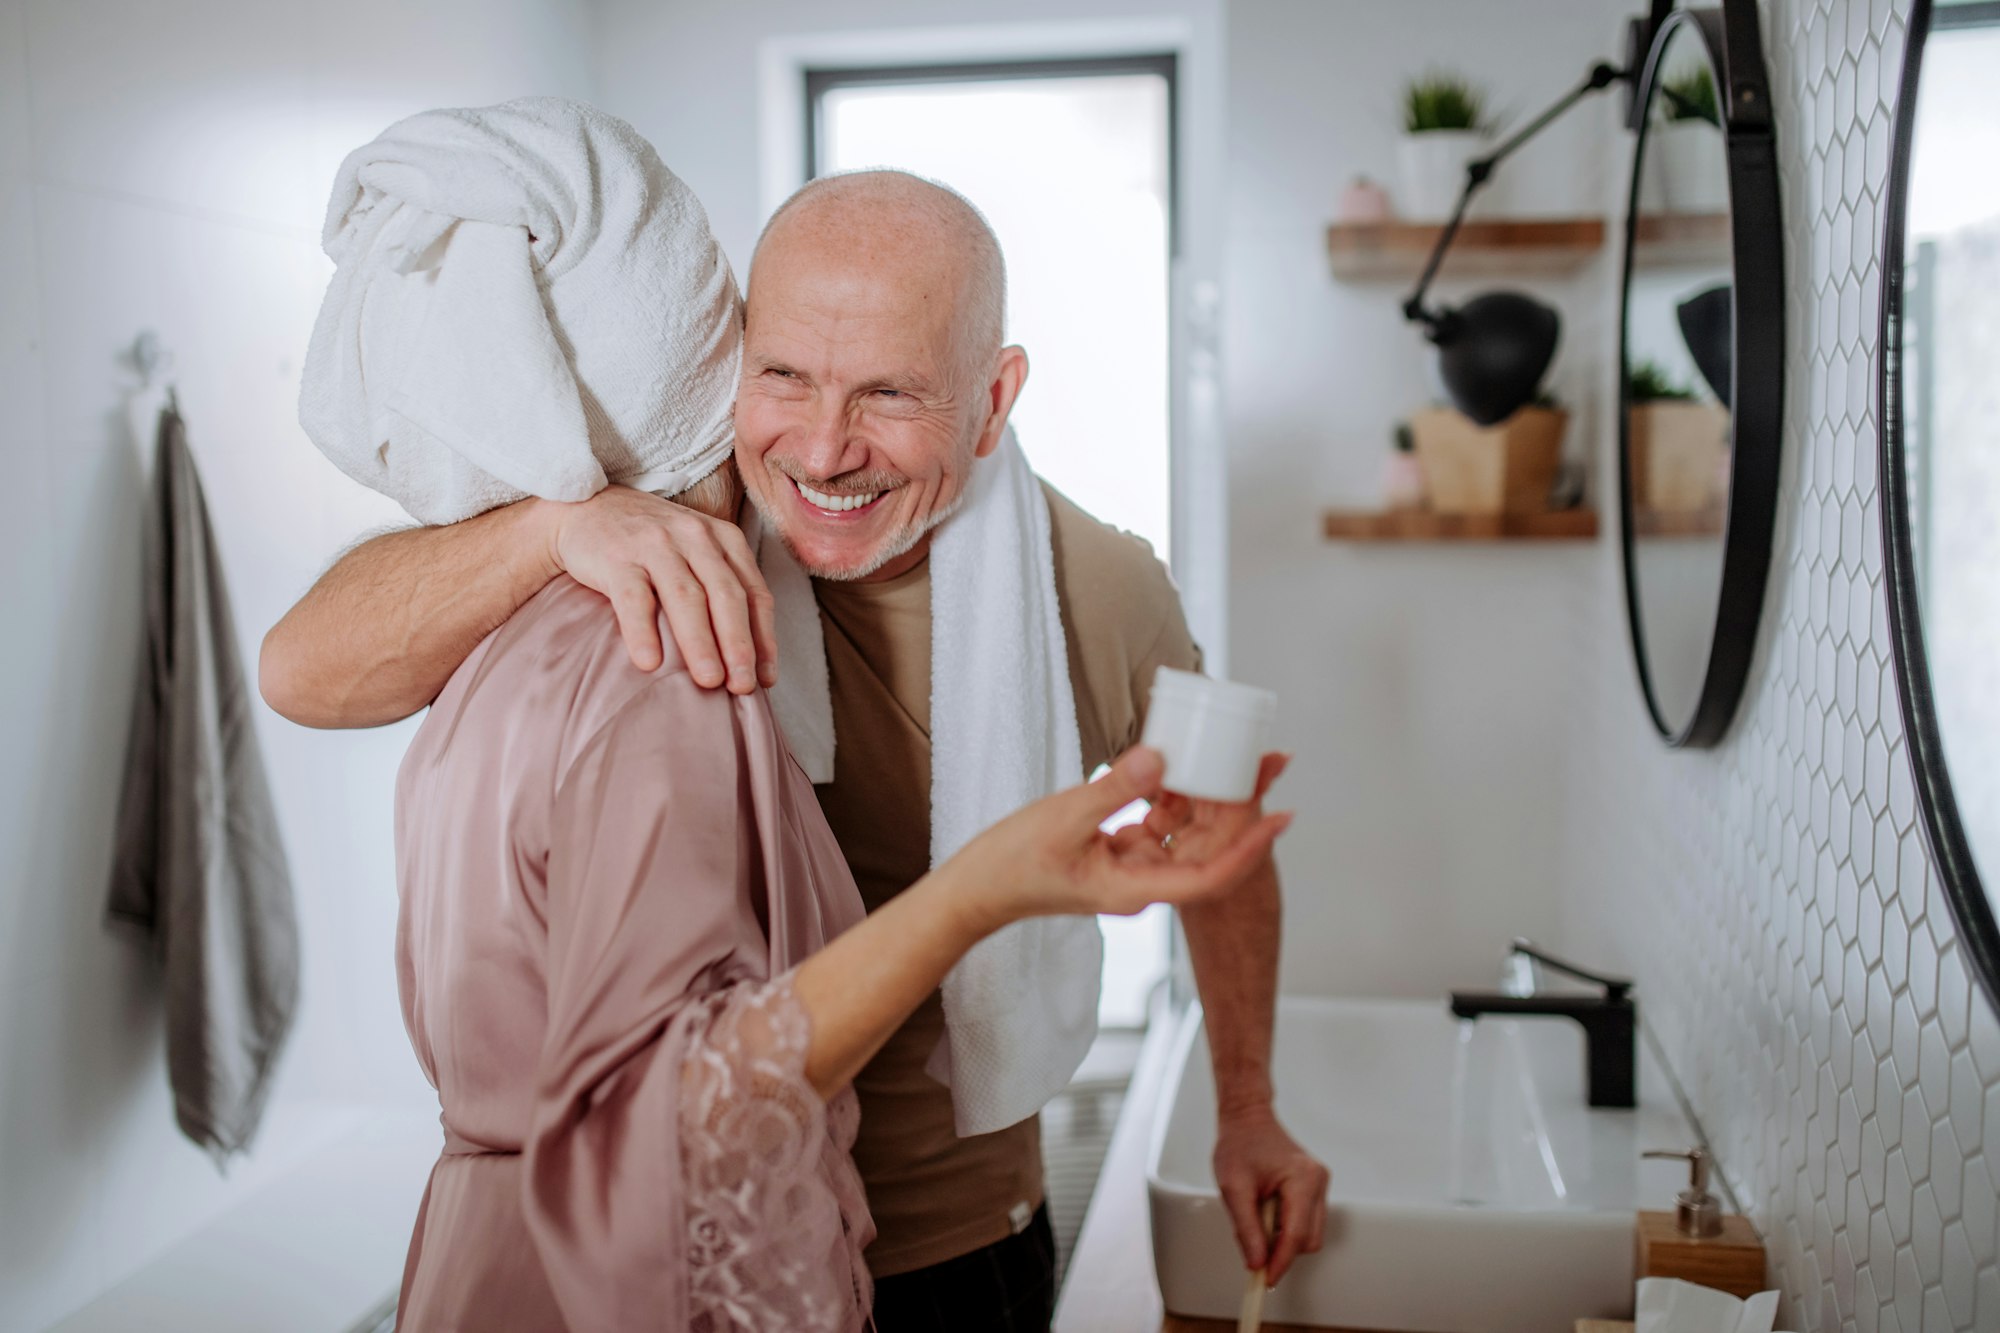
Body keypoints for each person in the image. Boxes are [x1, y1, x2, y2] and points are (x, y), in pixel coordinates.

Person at [265, 169, 1330, 1329]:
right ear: (731, 355)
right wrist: (553, 527)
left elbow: (1219, 848)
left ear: (992, 398)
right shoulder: (661, 513)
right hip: (691, 1249)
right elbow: (302, 670)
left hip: (957, 1242)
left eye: (888, 393)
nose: (822, 451)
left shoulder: (1101, 591)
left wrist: (1247, 1108)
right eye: (782, 376)